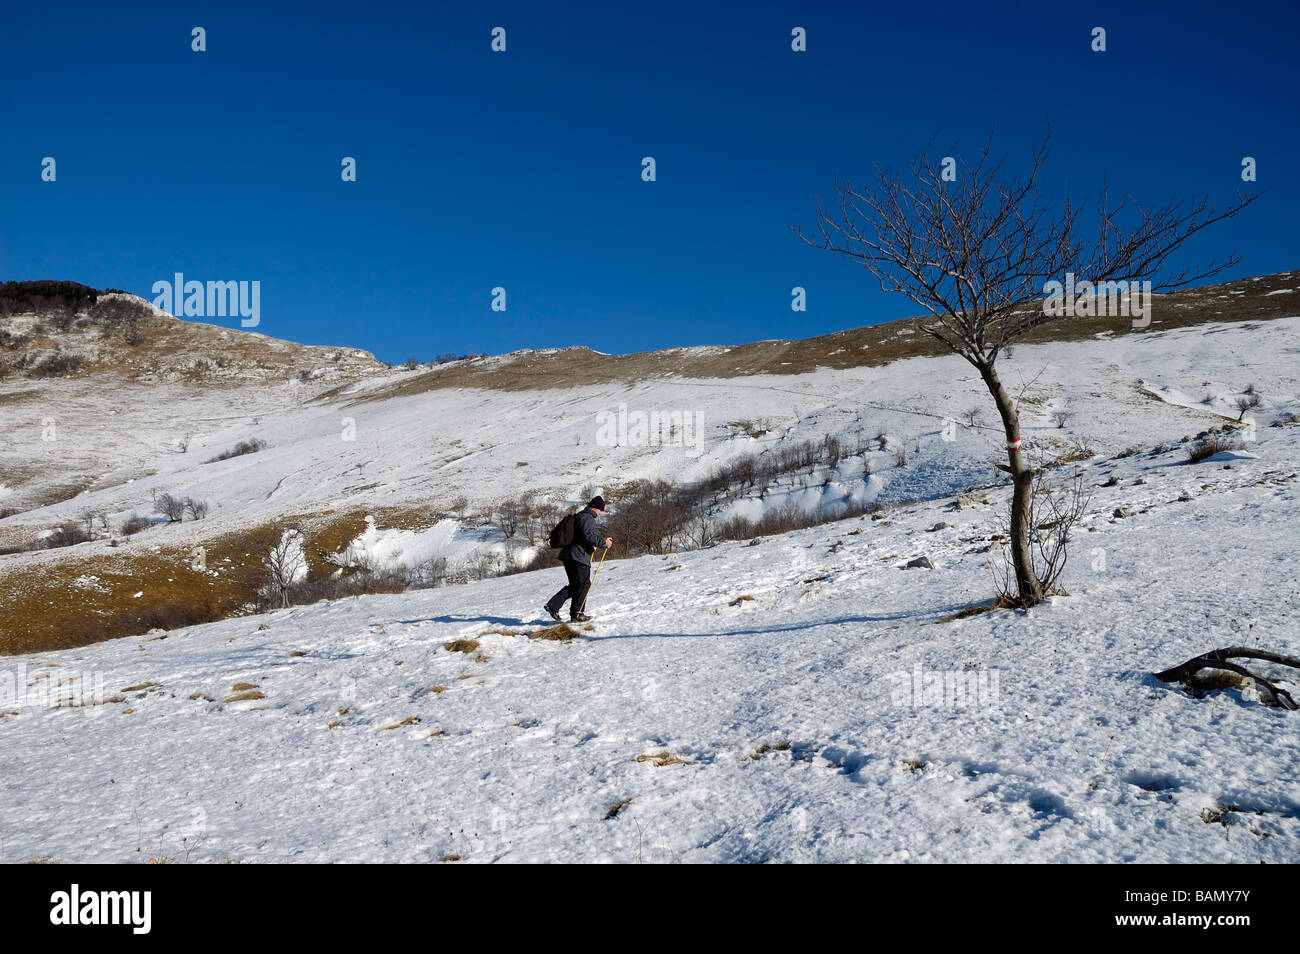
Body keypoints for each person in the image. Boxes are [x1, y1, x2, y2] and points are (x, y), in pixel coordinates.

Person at [544, 496, 612, 623]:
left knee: (577, 585)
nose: (601, 513)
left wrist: (591, 546)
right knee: (583, 585)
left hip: (570, 555)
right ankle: (577, 614)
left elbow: (581, 538)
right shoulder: (588, 518)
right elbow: (588, 536)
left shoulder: (580, 516)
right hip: (578, 558)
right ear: (596, 507)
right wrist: (604, 542)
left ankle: (553, 606)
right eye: (601, 510)